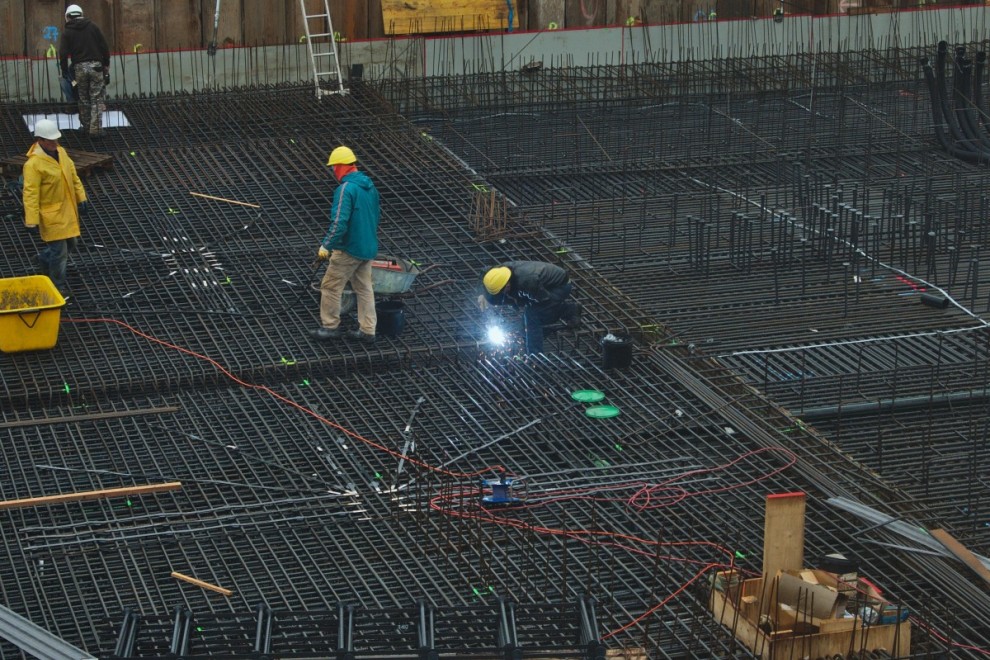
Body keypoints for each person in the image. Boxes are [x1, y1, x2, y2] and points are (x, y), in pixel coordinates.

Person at [310, 146, 381, 344]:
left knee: (330, 286)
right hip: (367, 247)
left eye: (334, 167)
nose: (333, 171)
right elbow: (376, 216)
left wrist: (327, 245)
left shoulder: (345, 189)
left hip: (349, 249)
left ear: (342, 166)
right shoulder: (370, 186)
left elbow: (339, 222)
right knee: (364, 288)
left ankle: (330, 327)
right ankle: (368, 330)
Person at [22, 119, 89, 299]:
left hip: (68, 210)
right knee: (60, 253)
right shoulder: (33, 165)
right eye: (50, 141)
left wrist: (81, 198)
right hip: (51, 215)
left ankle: (44, 259)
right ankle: (57, 287)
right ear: (40, 140)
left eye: (56, 140)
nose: (54, 143)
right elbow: (31, 193)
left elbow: (73, 176)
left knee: (72, 244)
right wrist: (31, 221)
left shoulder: (61, 152)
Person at [480, 261, 581, 353]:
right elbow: (483, 271)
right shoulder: (499, 271)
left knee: (532, 314)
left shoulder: (527, 281)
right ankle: (567, 311)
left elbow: (543, 299)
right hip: (541, 286)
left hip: (560, 286)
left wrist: (524, 306)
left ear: (507, 285)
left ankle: (535, 355)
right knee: (527, 323)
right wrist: (482, 294)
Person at [58, 4, 110, 137]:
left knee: (83, 98)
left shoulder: (67, 32)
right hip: (96, 66)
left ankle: (87, 128)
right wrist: (106, 64)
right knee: (96, 98)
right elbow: (104, 46)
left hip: (79, 68)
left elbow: (63, 54)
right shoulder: (93, 27)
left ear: (67, 17)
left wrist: (65, 71)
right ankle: (96, 130)